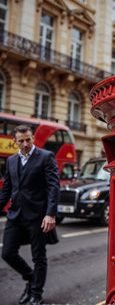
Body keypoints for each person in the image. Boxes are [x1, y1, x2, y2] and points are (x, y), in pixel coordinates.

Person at [0, 125, 60, 304]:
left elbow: (53, 187)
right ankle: (31, 277)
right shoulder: (11, 161)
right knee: (7, 253)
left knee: (38, 257)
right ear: (15, 141)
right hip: (15, 215)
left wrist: (50, 214)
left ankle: (36, 293)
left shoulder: (45, 157)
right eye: (21, 141)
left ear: (33, 137)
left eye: (28, 139)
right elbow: (7, 190)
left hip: (38, 216)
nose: (25, 144)